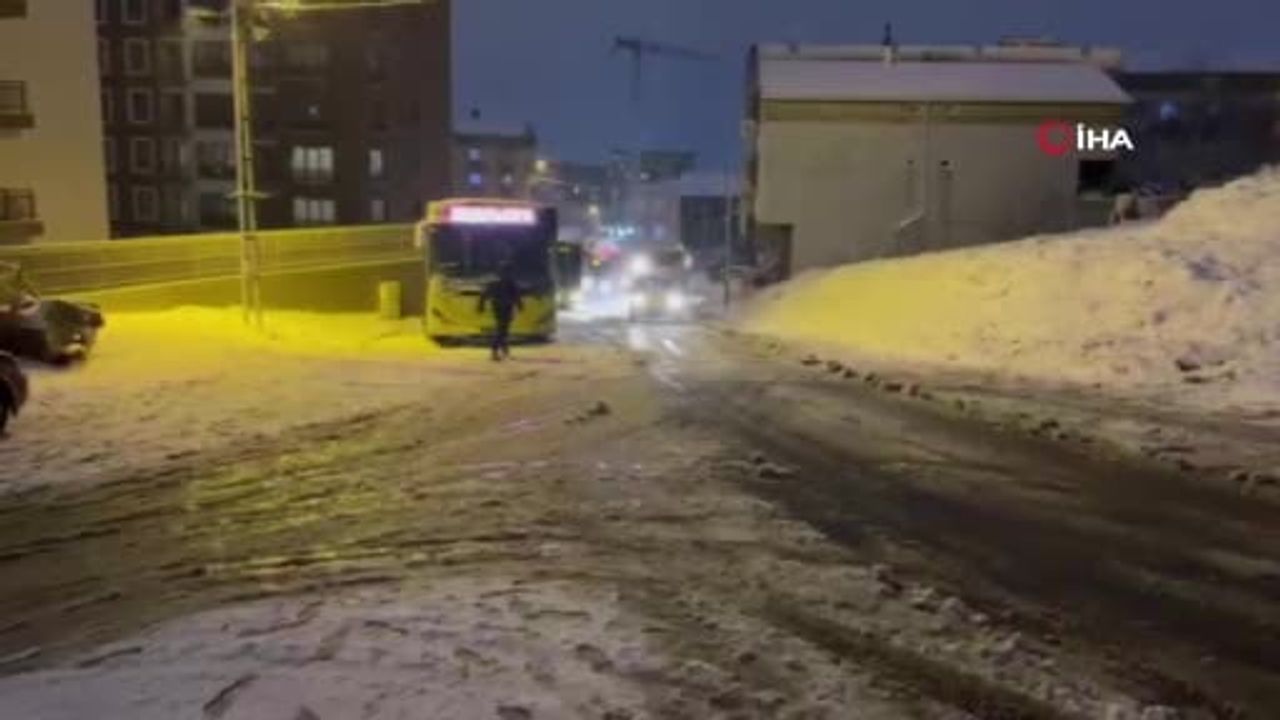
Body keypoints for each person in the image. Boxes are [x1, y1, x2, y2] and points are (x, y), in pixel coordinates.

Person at [477, 262, 523, 361]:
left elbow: (484, 294)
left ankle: (504, 351)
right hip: (505, 308)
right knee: (502, 330)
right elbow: (516, 296)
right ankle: (496, 351)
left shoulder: (495, 282)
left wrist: (481, 305)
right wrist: (520, 306)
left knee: (502, 329)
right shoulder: (510, 282)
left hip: (498, 307)